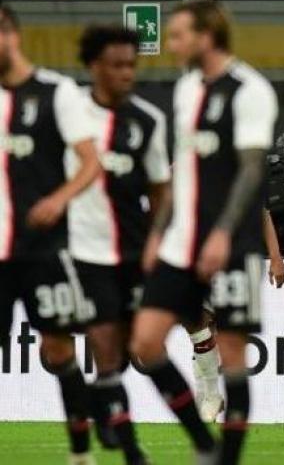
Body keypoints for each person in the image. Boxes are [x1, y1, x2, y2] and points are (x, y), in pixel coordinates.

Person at [129, 0, 278, 464]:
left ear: (206, 36)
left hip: (232, 246)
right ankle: (202, 440)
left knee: (233, 355)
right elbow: (185, 170)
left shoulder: (250, 89)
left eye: (177, 35)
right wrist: (158, 233)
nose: (170, 45)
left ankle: (225, 458)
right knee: (146, 343)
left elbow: (251, 172)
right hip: (179, 243)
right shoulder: (187, 88)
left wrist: (223, 234)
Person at [0, 4, 102, 464]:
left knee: (57, 349)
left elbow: (90, 161)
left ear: (10, 34)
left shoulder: (56, 93)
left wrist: (58, 200)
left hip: (45, 249)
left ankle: (80, 454)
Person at [72, 24, 172, 463]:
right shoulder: (69, 116)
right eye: (117, 64)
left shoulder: (147, 121)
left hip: (132, 253)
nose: (126, 73)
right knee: (83, 349)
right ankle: (125, 447)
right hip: (81, 253)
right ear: (95, 67)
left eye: (132, 65)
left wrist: (157, 242)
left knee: (133, 352)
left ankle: (109, 417)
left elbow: (161, 192)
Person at [189, 208, 284, 423]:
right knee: (196, 323)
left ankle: (213, 398)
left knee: (226, 338)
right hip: (199, 252)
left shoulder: (243, 175)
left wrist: (275, 257)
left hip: (236, 255)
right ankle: (209, 394)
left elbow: (262, 210)